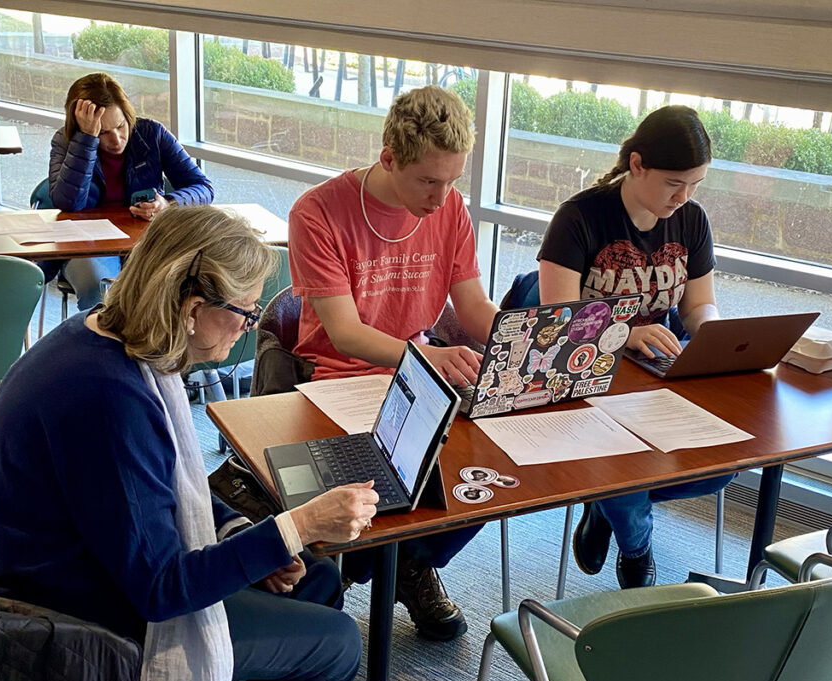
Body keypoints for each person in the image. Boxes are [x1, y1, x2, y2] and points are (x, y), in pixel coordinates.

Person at [0, 204, 378, 681]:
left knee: (319, 580)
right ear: (193, 307)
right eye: (245, 311)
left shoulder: (105, 342)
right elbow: (161, 589)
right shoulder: (108, 398)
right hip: (76, 612)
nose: (248, 328)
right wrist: (294, 527)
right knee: (336, 648)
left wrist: (242, 533)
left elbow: (167, 487)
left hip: (87, 566)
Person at [288, 85, 498, 641]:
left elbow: (474, 308)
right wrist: (428, 356)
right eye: (428, 180)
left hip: (416, 372)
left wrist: (522, 342)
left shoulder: (449, 207)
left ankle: (408, 560)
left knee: (495, 474)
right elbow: (346, 333)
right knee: (406, 473)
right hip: (337, 377)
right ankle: (383, 558)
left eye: (453, 180)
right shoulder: (318, 212)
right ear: (388, 159)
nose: (441, 196)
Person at [537, 105, 734, 588]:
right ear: (638, 164)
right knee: (615, 458)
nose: (684, 197)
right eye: (674, 183)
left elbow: (697, 305)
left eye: (696, 185)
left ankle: (607, 503)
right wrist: (623, 333)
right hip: (587, 375)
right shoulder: (579, 218)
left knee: (723, 467)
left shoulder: (691, 221)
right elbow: (556, 322)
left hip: (655, 373)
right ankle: (636, 541)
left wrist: (709, 332)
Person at [47, 72, 214, 311]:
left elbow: (203, 187)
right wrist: (86, 141)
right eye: (103, 132)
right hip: (87, 247)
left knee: (179, 286)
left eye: (120, 126)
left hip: (147, 242)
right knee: (99, 290)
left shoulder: (151, 134)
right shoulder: (66, 142)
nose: (116, 139)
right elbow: (69, 202)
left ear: (128, 115)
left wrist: (168, 203)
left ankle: (157, 347)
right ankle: (101, 347)